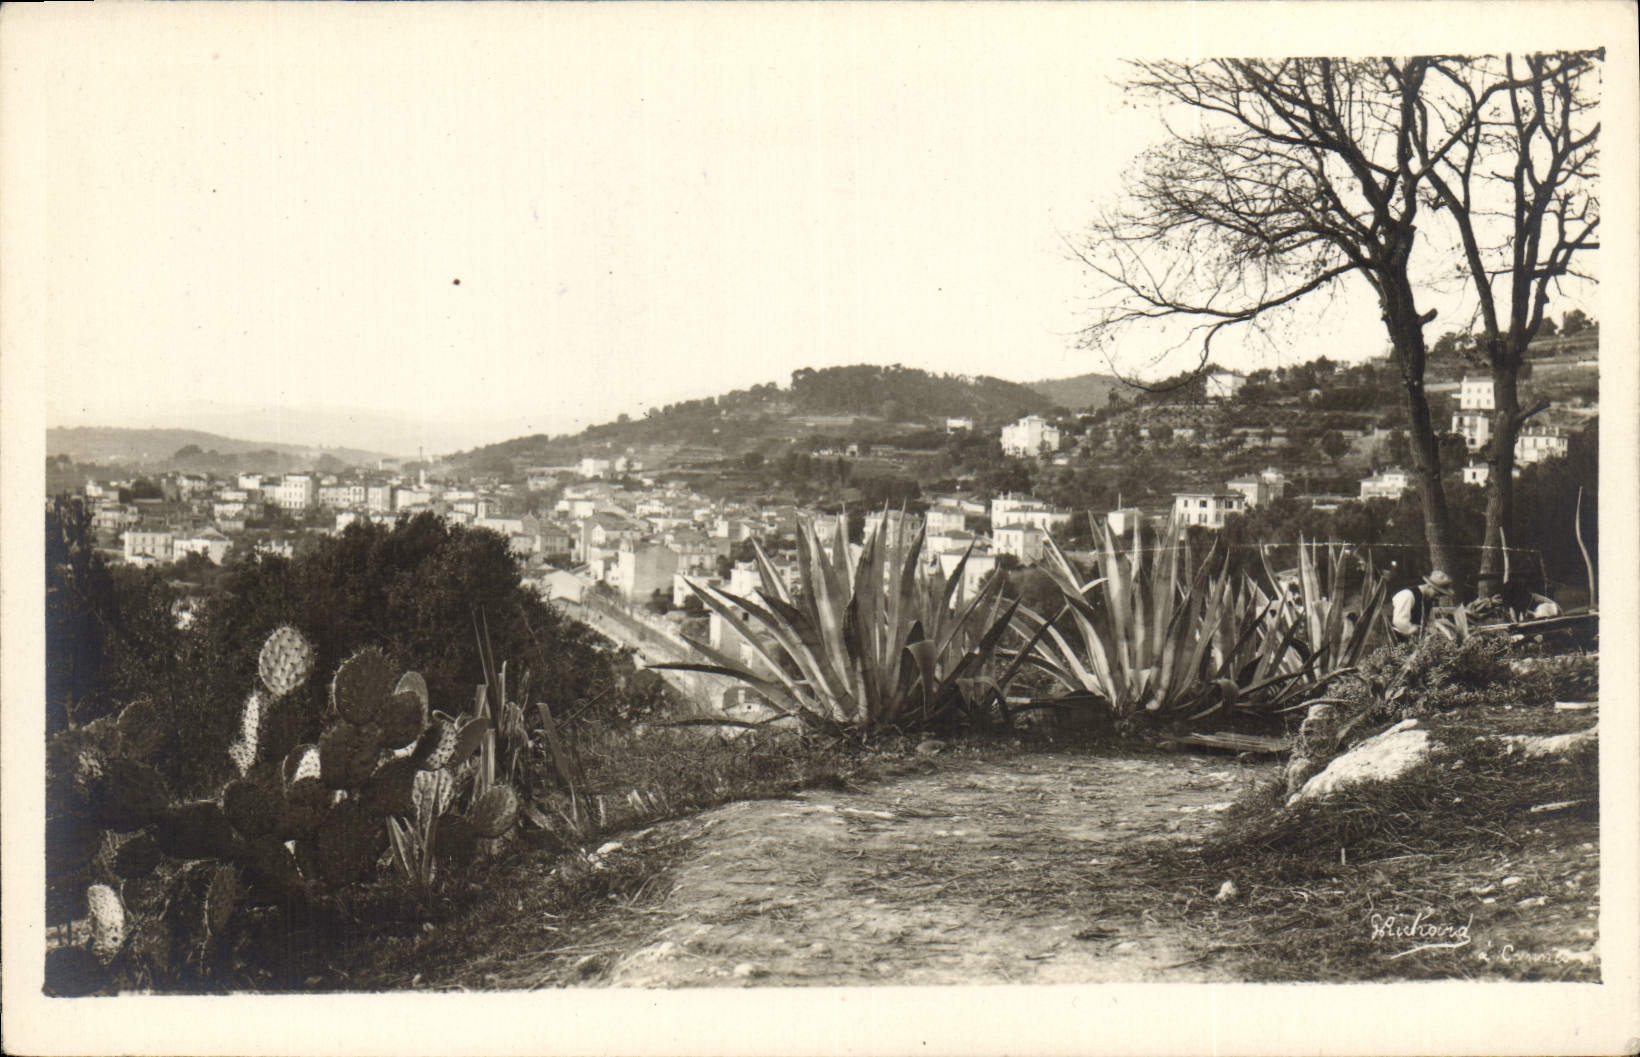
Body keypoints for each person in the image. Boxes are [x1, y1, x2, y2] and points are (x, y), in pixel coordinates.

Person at [1390, 569, 1455, 644]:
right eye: (1437, 594)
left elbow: (1430, 622)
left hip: (1415, 641)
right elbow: (1399, 621)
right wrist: (1415, 630)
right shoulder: (1407, 595)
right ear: (1429, 586)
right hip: (1398, 639)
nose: (1437, 597)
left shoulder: (1427, 599)